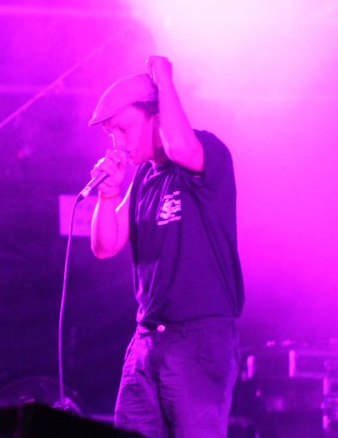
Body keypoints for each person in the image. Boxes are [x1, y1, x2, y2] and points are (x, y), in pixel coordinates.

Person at [87, 56, 244, 438]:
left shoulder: (205, 153)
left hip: (197, 339)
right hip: (147, 342)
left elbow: (179, 147)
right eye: (111, 134)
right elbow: (105, 246)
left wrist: (165, 82)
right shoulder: (144, 178)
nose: (118, 143)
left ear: (157, 116)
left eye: (124, 129)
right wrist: (108, 195)